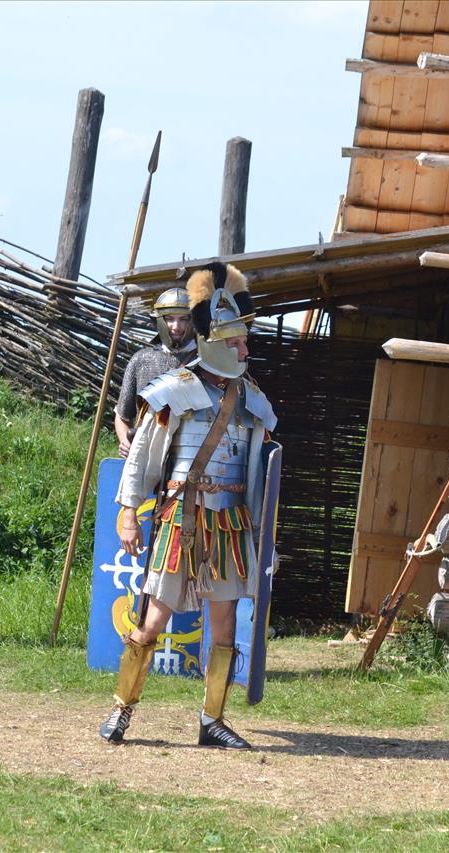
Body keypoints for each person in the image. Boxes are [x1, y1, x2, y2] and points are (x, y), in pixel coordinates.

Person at [99, 262, 276, 749]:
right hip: (182, 520)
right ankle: (121, 710)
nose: (246, 350)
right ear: (216, 342)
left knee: (224, 626)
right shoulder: (175, 391)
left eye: (245, 342)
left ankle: (212, 720)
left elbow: (261, 476)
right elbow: (142, 456)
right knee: (153, 620)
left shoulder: (252, 400)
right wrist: (129, 513)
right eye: (238, 342)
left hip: (231, 525)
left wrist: (265, 540)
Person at [113, 287, 196, 457]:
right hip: (147, 453)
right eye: (169, 319)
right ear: (159, 321)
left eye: (184, 319)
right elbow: (122, 415)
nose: (176, 326)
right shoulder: (142, 359)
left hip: (192, 454)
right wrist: (125, 442)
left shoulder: (207, 361)